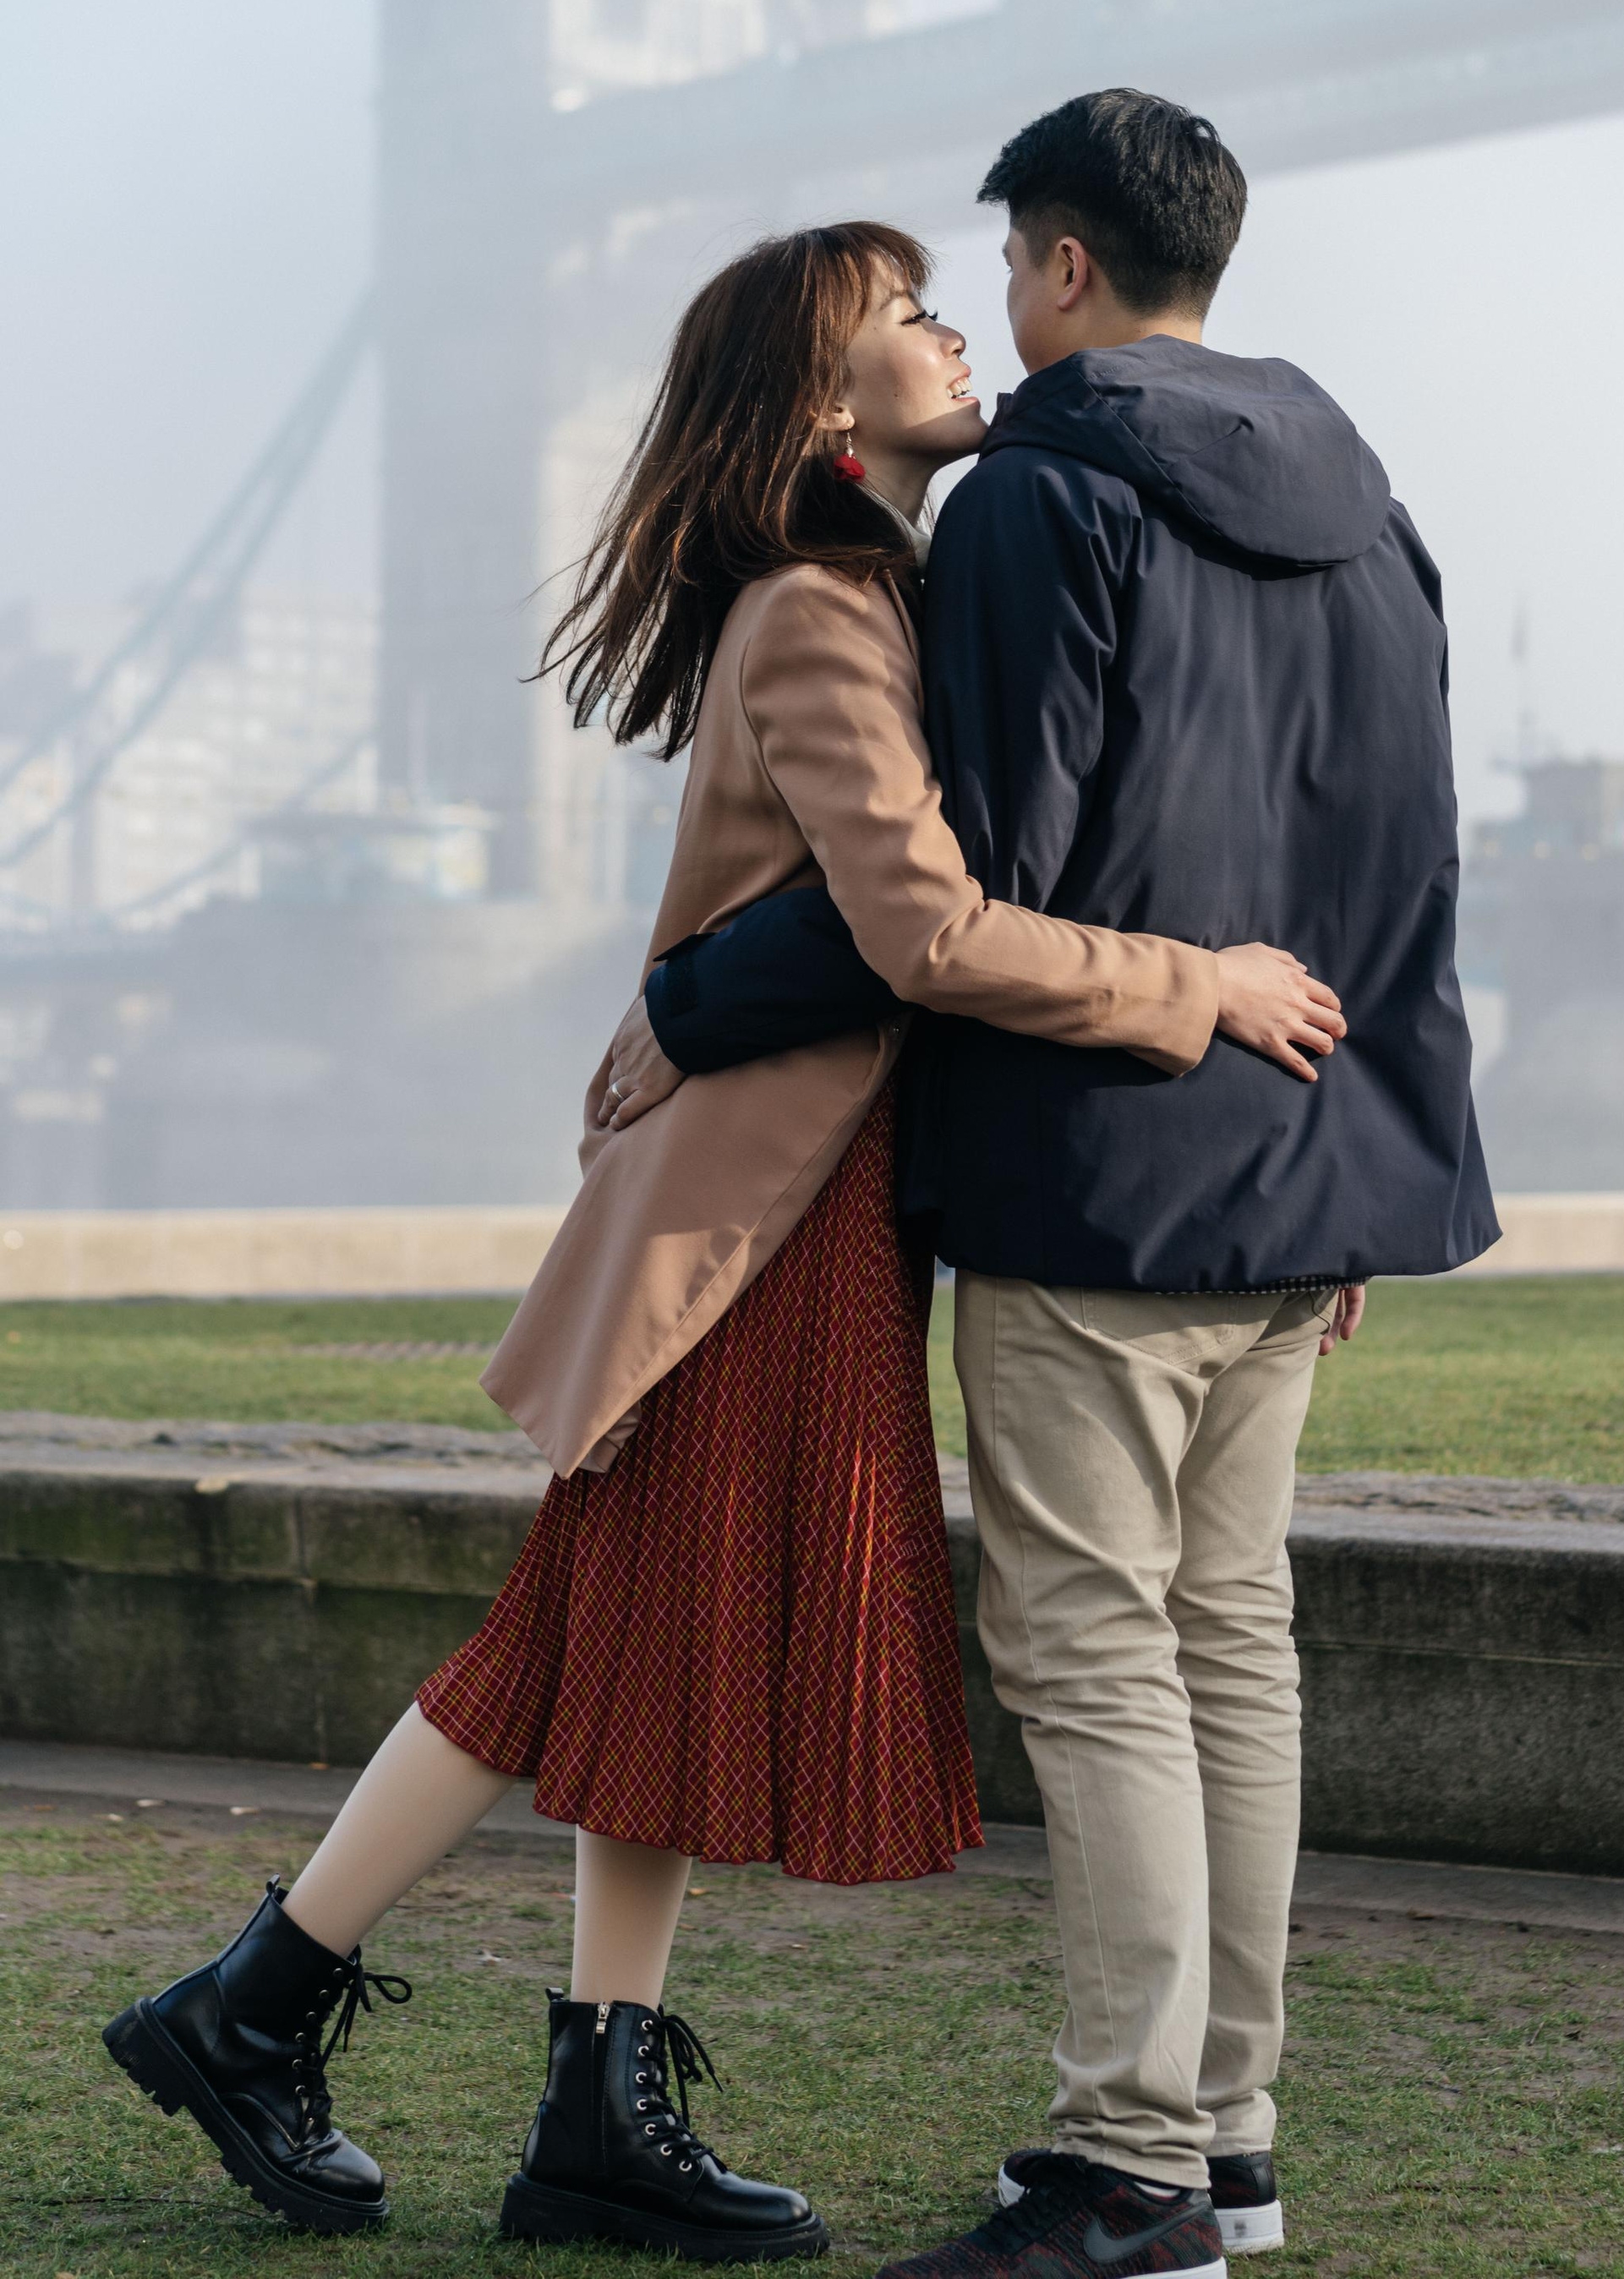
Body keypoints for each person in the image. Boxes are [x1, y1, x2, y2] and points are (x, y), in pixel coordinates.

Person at [100, 220, 1343, 2262]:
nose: (954, 335)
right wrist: (1191, 987)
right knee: (583, 1629)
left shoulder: (885, 591)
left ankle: (577, 2087)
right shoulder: (823, 610)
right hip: (761, 1216)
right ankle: (262, 2007)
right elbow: (919, 929)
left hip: (815, 1201)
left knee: (634, 1634)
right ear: (819, 402)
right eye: (905, 318)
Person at [653, 94, 1494, 2279]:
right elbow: (1406, 866)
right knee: (1234, 1643)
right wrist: (1363, 1163)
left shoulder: (1040, 500)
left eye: (993, 270)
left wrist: (684, 1001)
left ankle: (1123, 2168)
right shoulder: (1373, 506)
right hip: (1299, 1174)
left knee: (1101, 1651)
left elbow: (960, 889)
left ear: (1052, 266)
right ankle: (1230, 2144)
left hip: (1093, 1178)